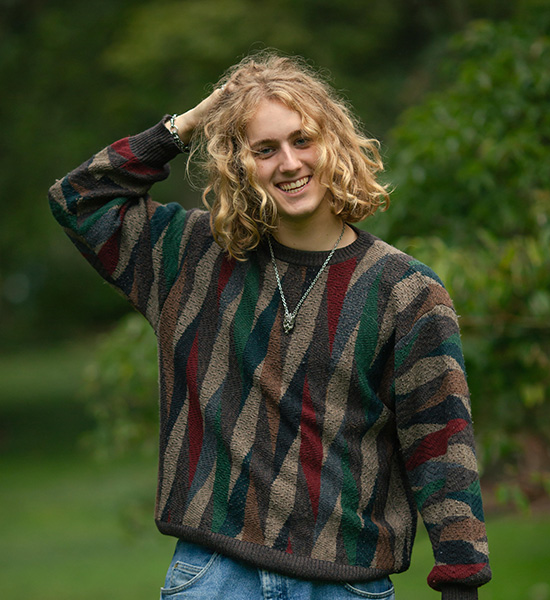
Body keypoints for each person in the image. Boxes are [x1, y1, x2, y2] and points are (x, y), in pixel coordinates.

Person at [48, 51, 491, 600]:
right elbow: (80, 199)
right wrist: (185, 125)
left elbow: (441, 443)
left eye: (302, 140)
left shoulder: (406, 291)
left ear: (334, 144)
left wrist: (461, 582)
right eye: (265, 148)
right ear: (239, 164)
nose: (288, 162)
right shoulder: (188, 256)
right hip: (213, 576)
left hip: (346, 585)